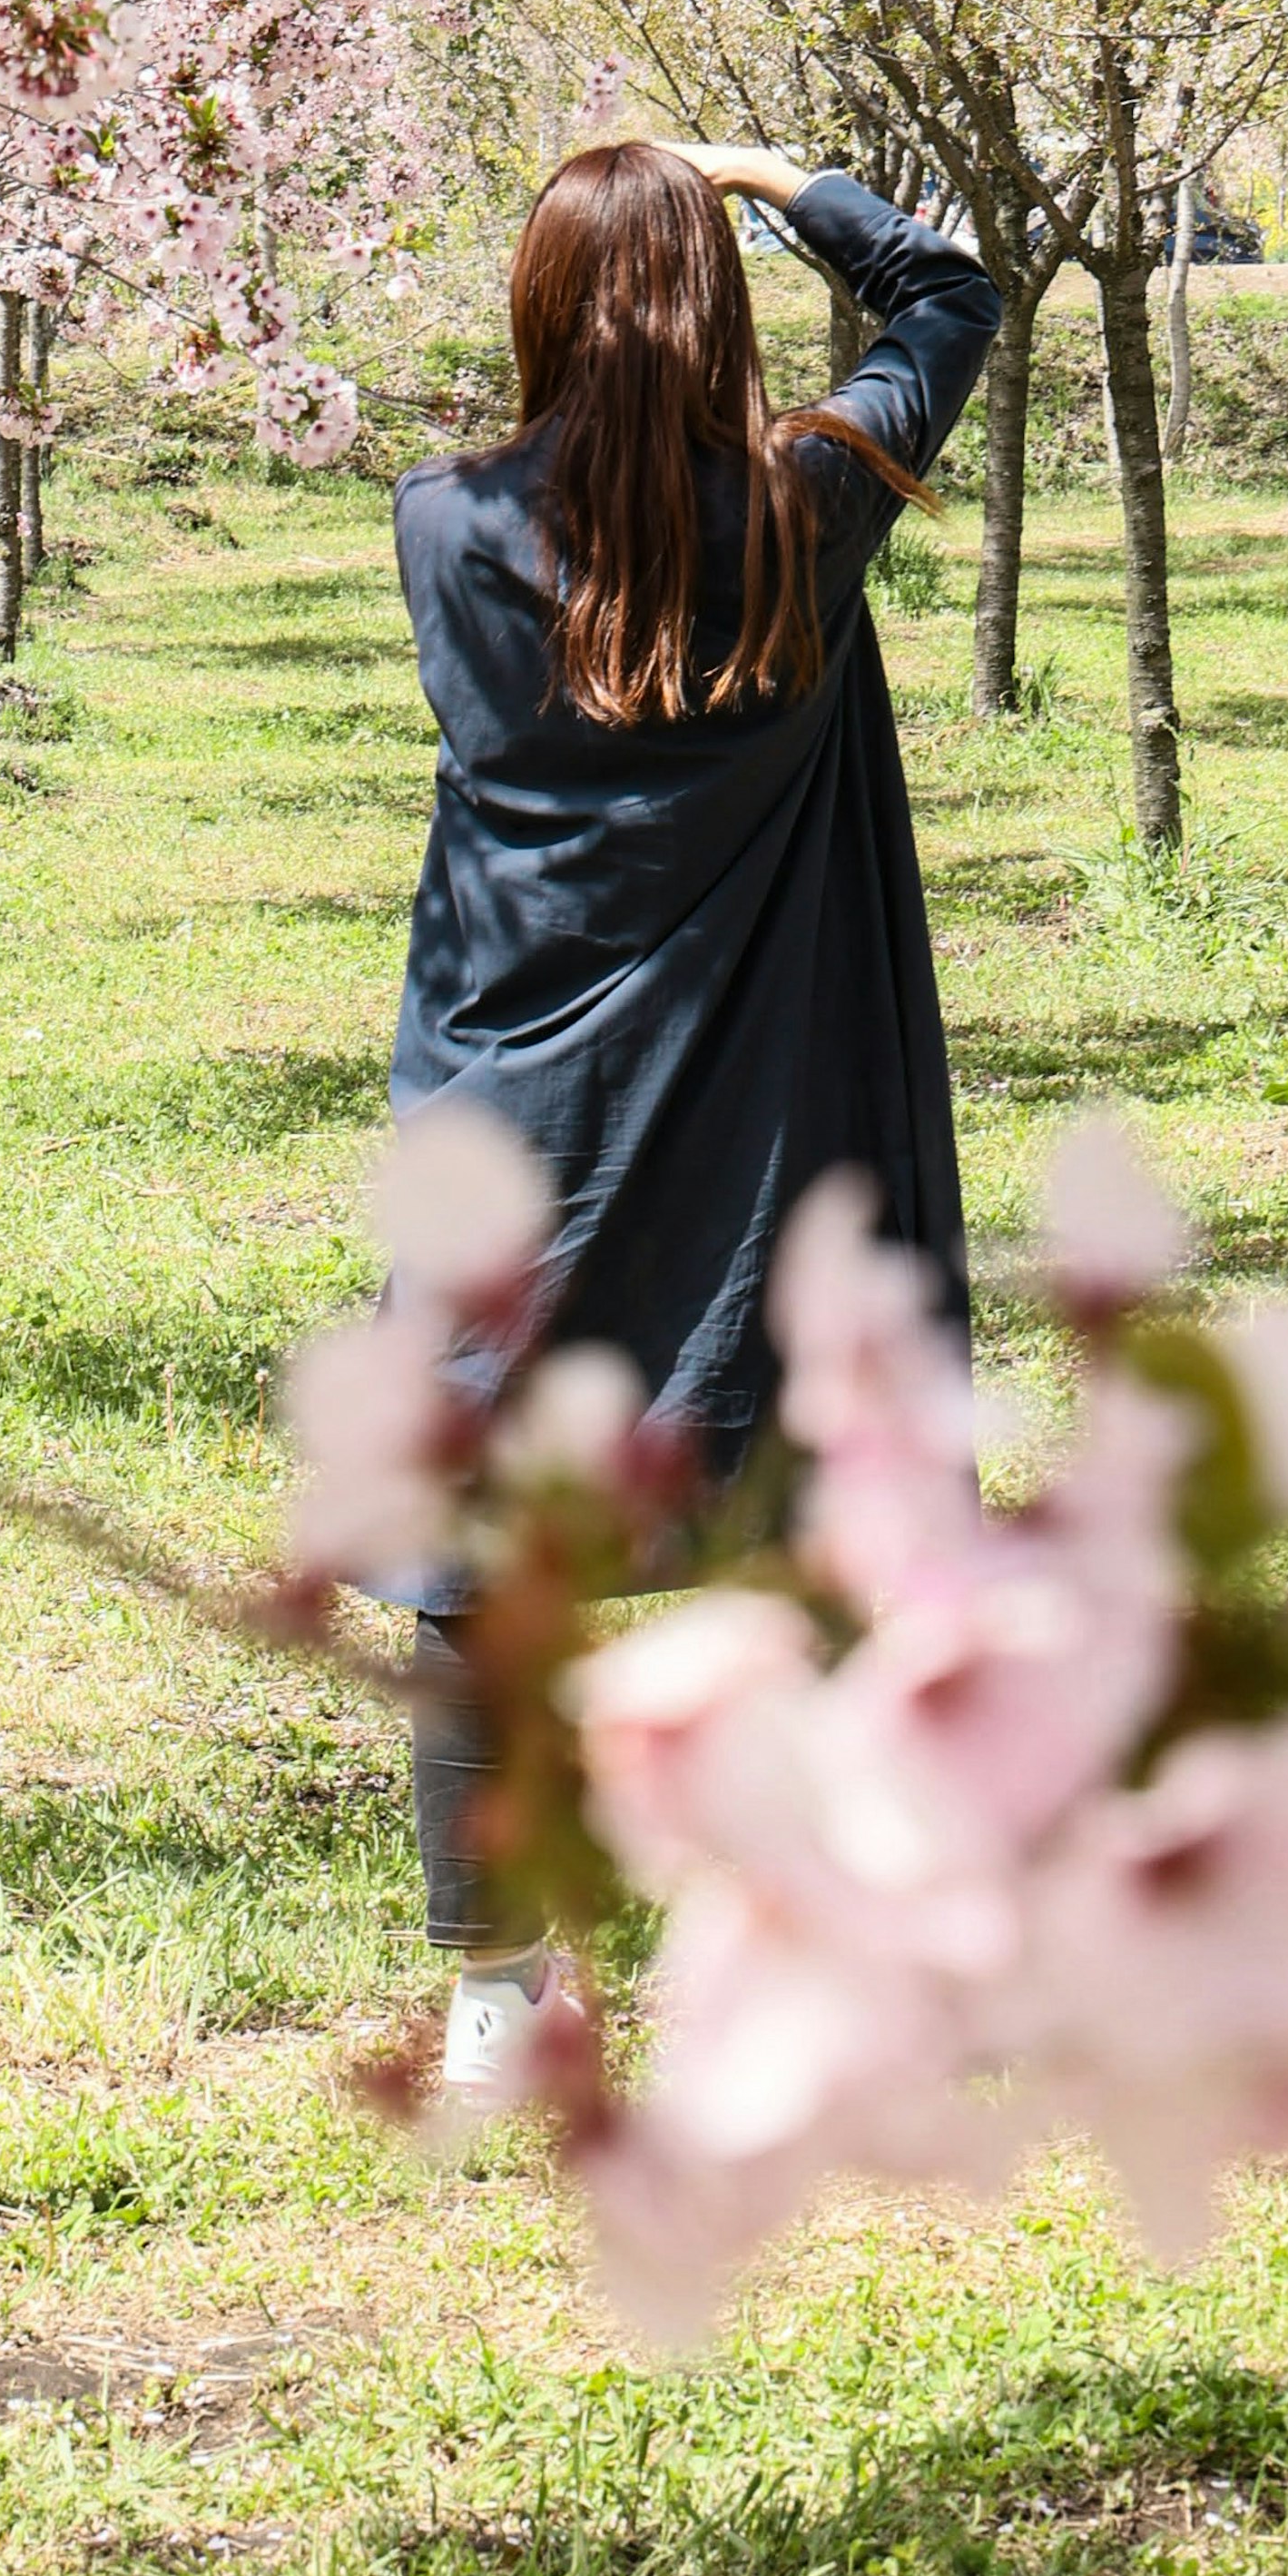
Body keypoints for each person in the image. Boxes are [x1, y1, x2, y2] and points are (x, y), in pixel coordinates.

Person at [384, 132, 1001, 2085]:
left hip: (520, 1100)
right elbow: (957, 293)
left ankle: (498, 1993)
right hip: (755, 1091)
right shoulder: (813, 504)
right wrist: (776, 176)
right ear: (720, 304)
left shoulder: (443, 522)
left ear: (545, 308)